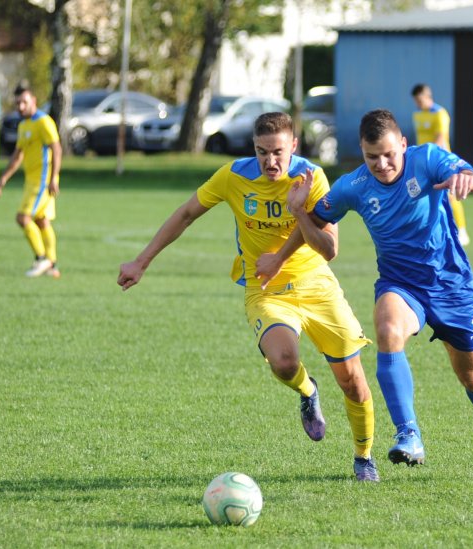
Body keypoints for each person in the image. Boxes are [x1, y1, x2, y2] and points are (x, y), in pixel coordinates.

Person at [117, 112, 380, 482]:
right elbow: (187, 213)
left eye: (277, 152)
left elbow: (329, 248)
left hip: (317, 286)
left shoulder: (312, 178)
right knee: (285, 361)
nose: (270, 161)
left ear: (293, 146)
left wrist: (298, 213)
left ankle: (364, 456)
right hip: (266, 288)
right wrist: (142, 261)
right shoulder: (233, 177)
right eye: (262, 152)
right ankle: (308, 391)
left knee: (352, 379)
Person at [272, 109, 473, 480]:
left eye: (389, 154)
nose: (381, 164)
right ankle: (408, 434)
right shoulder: (353, 186)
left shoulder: (428, 159)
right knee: (386, 331)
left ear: (403, 144)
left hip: (452, 286)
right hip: (400, 284)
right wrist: (292, 228)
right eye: (372, 157)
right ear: (362, 154)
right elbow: (316, 228)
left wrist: (469, 180)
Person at [0, 82, 62, 278]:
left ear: (33, 101)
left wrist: (54, 178)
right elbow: (18, 155)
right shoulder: (23, 124)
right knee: (41, 221)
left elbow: (56, 149)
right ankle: (53, 264)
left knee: (23, 218)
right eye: (17, 103)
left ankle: (42, 259)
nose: (20, 107)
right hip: (30, 181)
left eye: (24, 102)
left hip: (42, 181)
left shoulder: (43, 122)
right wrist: (3, 179)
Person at [411, 83, 470, 246]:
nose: (418, 103)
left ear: (427, 96)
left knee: (451, 196)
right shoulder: (416, 114)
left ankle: (462, 231)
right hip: (421, 162)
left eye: (420, 99)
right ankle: (425, 231)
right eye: (415, 100)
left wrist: (431, 157)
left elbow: (440, 138)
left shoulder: (440, 114)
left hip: (441, 162)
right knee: (420, 194)